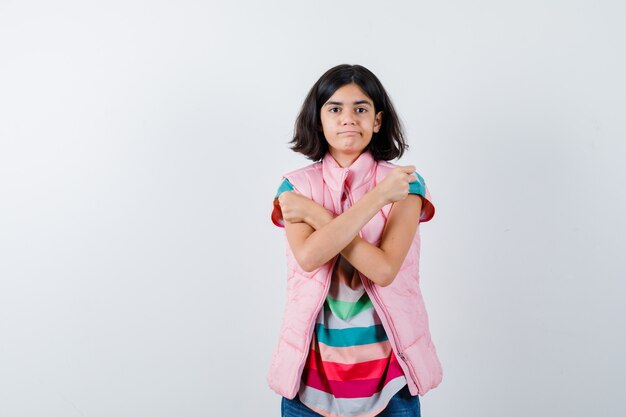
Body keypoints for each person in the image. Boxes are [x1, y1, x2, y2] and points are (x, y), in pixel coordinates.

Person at [268, 64, 442, 417]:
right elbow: (309, 256)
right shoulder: (294, 187)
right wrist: (377, 199)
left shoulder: (405, 184)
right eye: (335, 109)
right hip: (309, 381)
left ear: (377, 121)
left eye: (361, 109)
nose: (349, 118)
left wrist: (318, 215)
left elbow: (383, 269)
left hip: (391, 380)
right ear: (318, 120)